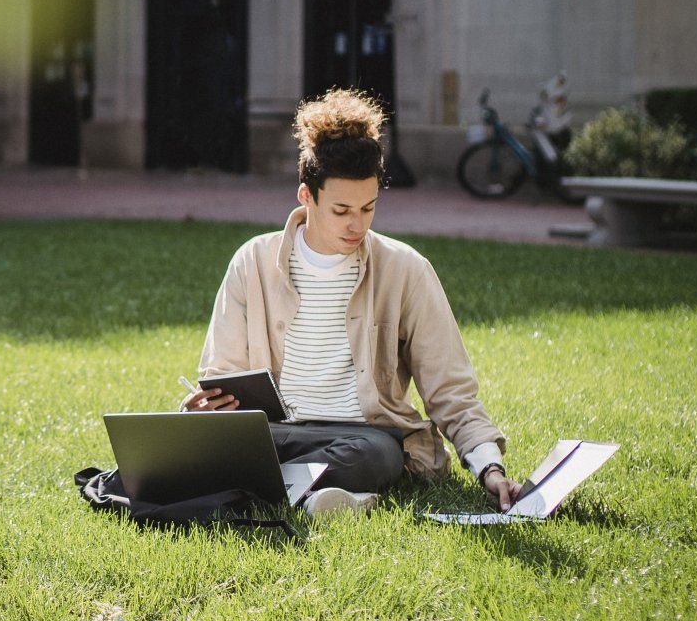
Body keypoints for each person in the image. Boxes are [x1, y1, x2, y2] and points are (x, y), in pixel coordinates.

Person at [183, 89, 521, 516]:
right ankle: (315, 495)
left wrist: (489, 466)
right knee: (213, 444)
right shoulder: (254, 260)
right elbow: (221, 375)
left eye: (368, 207)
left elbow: (450, 388)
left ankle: (254, 488)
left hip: (362, 437)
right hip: (276, 434)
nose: (356, 224)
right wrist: (205, 406)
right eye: (341, 209)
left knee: (379, 455)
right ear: (307, 196)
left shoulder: (405, 269)